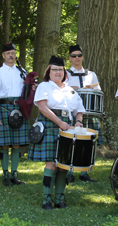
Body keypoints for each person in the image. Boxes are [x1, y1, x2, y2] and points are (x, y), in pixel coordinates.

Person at [28, 56, 86, 210]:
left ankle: (59, 199)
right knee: (52, 164)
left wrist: (78, 121)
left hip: (68, 127)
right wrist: (59, 122)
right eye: (55, 69)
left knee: (63, 164)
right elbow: (42, 108)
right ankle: (47, 199)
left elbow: (79, 110)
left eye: (60, 69)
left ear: (64, 72)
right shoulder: (44, 86)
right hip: (51, 124)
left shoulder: (70, 90)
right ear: (49, 71)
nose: (58, 72)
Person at [0, 42, 30, 186]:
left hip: (19, 109)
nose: (11, 56)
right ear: (3, 56)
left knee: (16, 144)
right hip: (4, 107)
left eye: (13, 53)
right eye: (8, 53)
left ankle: (14, 174)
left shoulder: (22, 72)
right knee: (5, 145)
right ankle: (5, 175)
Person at [65, 44, 101, 182]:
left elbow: (98, 91)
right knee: (71, 143)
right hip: (72, 112)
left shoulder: (91, 74)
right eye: (74, 56)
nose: (77, 58)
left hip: (89, 112)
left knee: (88, 144)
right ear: (70, 58)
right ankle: (69, 172)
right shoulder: (66, 74)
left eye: (79, 55)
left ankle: (84, 173)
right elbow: (63, 88)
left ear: (83, 57)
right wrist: (79, 88)